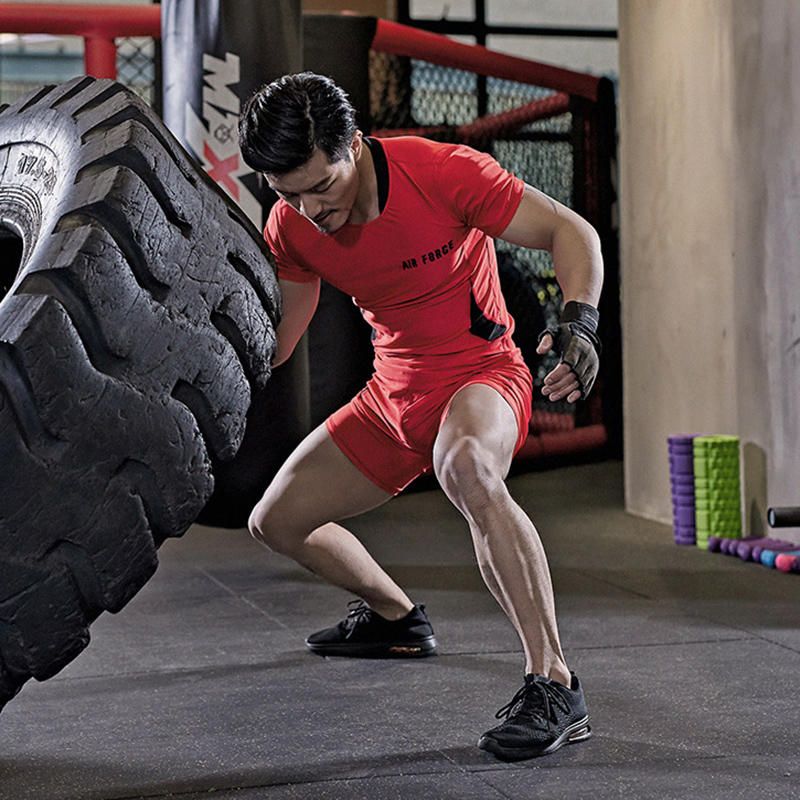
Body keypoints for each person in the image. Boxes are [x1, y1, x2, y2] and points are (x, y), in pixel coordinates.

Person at [239, 72, 603, 761]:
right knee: (275, 521)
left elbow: (567, 228)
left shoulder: (440, 173)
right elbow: (282, 338)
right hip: (392, 398)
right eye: (288, 193)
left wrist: (580, 322)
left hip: (481, 376)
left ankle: (554, 682)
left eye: (322, 186)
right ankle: (395, 618)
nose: (309, 209)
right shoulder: (291, 226)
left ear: (353, 143)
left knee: (464, 465)